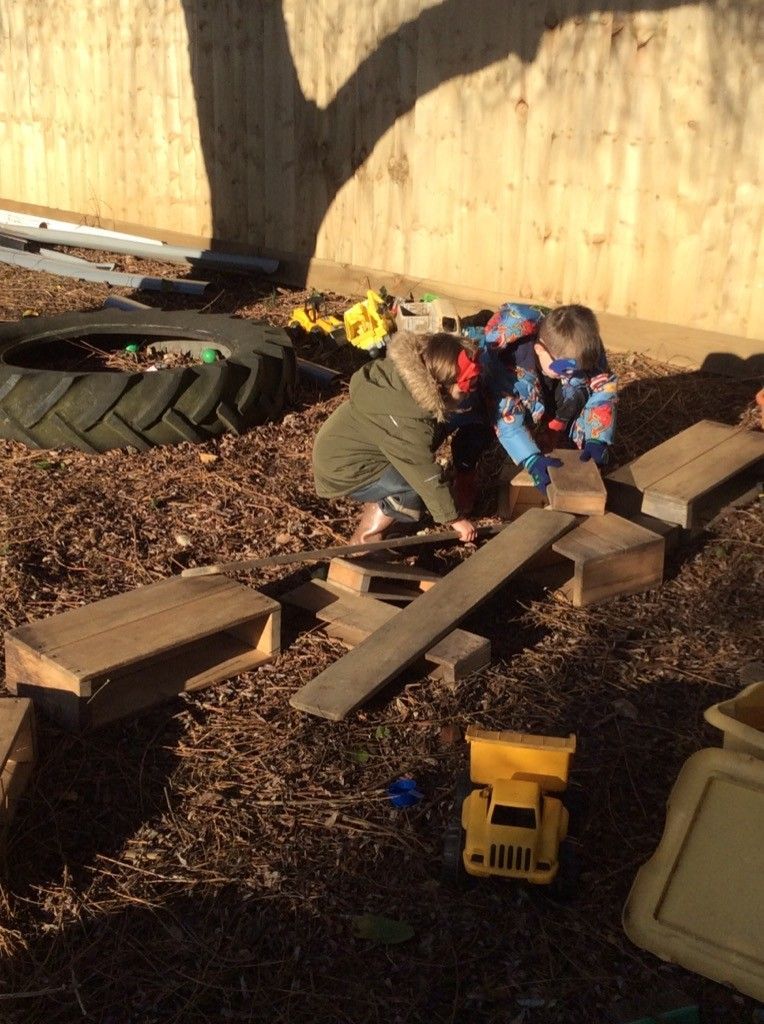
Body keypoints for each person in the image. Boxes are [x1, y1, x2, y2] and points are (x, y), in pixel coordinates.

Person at [312, 330, 480, 545]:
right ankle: (365, 545)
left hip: (347, 448)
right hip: (345, 468)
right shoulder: (406, 420)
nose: (469, 392)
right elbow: (423, 473)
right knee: (411, 488)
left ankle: (392, 512)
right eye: (465, 388)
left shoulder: (404, 382)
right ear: (441, 385)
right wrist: (455, 519)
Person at [453, 302, 618, 509]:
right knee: (476, 431)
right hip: (493, 399)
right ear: (540, 349)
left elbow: (602, 388)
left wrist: (597, 437)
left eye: (578, 369)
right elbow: (506, 417)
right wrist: (530, 458)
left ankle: (553, 436)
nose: (571, 375)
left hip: (544, 390)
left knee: (577, 391)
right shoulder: (504, 359)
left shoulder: (583, 348)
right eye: (564, 368)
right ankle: (465, 474)